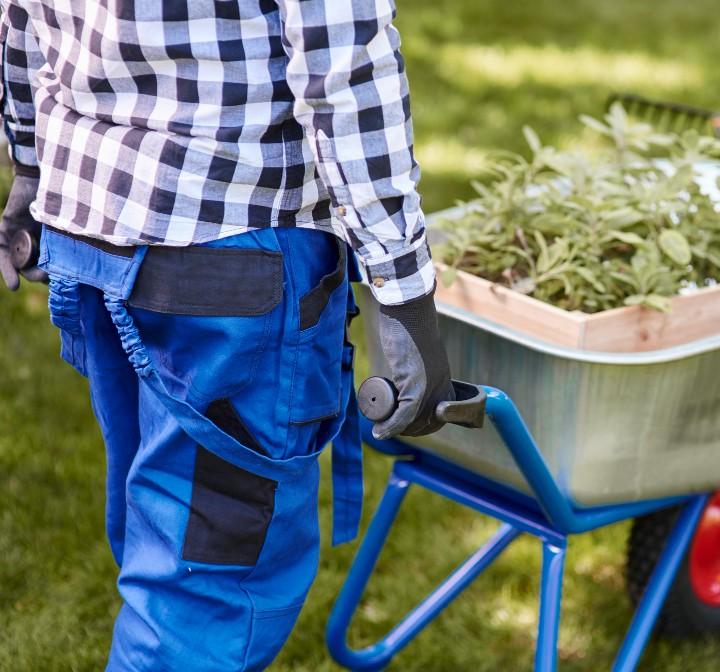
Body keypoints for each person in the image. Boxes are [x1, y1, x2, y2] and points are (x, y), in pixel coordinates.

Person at [0, 1, 453, 669]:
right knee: (206, 591)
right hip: (231, 257)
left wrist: (32, 168)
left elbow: (19, 18)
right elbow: (345, 66)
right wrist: (404, 287)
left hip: (92, 229)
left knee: (172, 538)